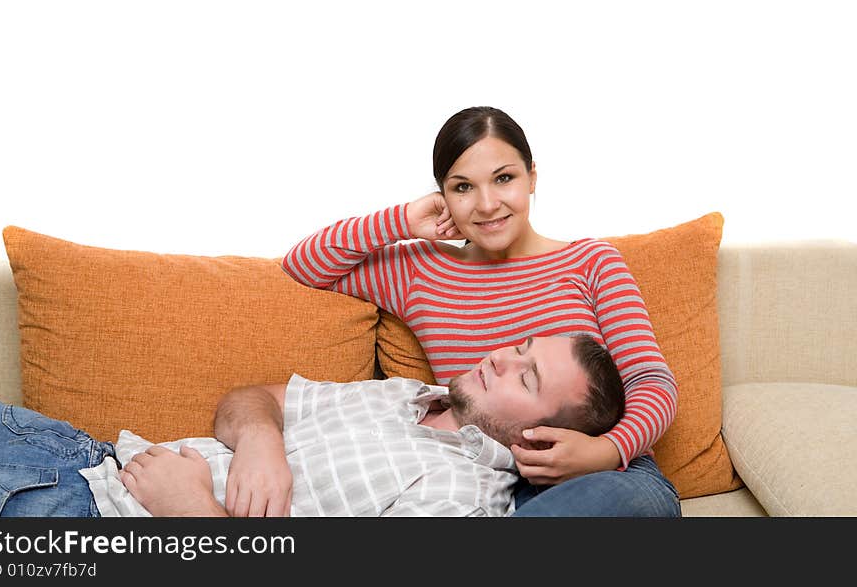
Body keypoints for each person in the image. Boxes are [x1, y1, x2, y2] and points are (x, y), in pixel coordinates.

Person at [280, 105, 681, 517]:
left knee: (632, 505)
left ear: (533, 178)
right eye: (463, 187)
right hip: (486, 482)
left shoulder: (590, 262)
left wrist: (605, 450)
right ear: (442, 196)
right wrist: (400, 220)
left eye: (504, 178)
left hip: (608, 473)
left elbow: (650, 380)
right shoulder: (423, 271)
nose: (487, 204)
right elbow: (303, 265)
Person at [0, 333, 624, 517]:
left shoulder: (458, 501)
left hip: (89, 516)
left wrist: (192, 511)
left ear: (542, 438)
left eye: (526, 377)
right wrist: (261, 437)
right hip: (76, 450)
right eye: (521, 347)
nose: (500, 358)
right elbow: (249, 397)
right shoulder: (407, 392)